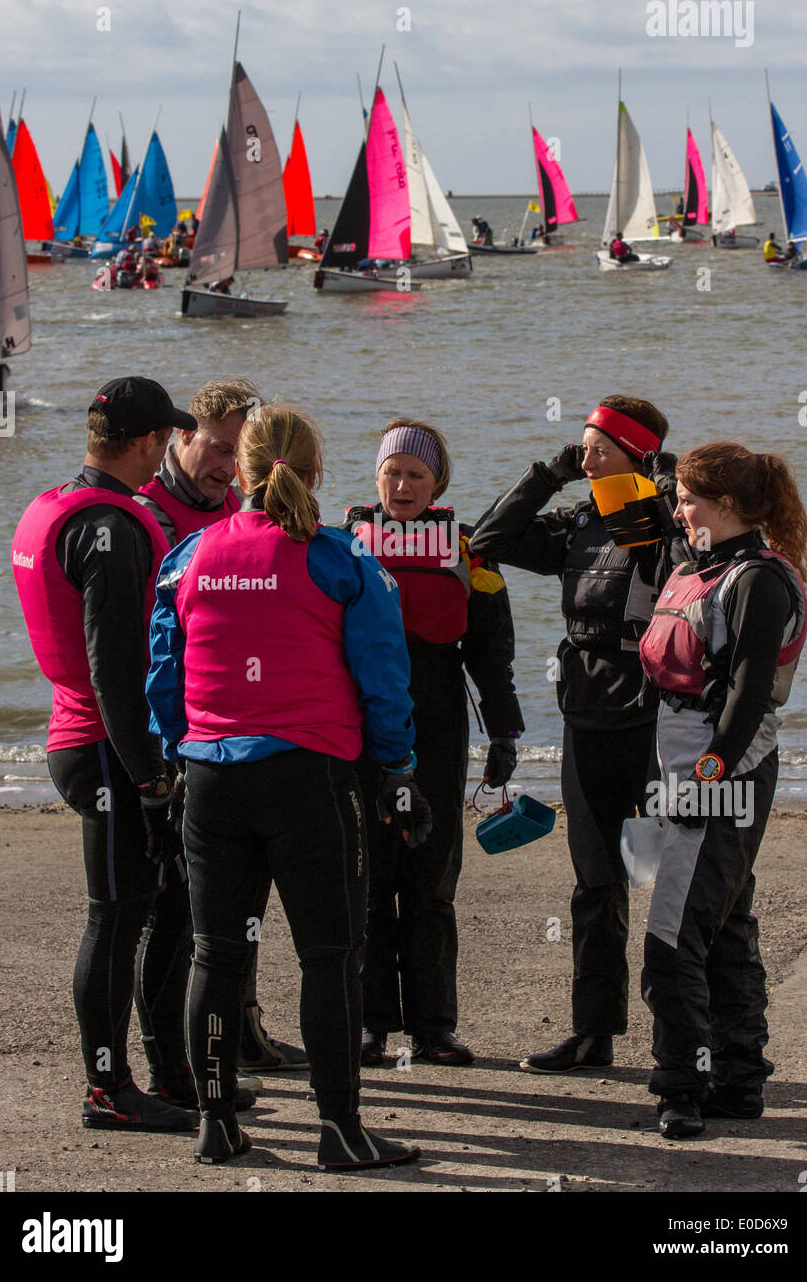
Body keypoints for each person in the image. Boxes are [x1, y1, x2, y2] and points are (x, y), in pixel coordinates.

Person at [146, 405, 429, 1169]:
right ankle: (338, 1130)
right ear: (313, 473)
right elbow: (384, 679)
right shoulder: (342, 559)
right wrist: (399, 771)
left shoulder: (188, 555)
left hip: (210, 778)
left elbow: (163, 681)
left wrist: (180, 754)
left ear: (239, 471)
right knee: (329, 954)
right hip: (308, 779)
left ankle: (216, 1123)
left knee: (216, 953)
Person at [471, 397, 690, 1073]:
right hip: (588, 723)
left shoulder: (667, 523)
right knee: (595, 886)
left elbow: (708, 560)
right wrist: (550, 474)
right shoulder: (580, 524)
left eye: (598, 449)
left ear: (637, 455)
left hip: (656, 726)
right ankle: (593, 1034)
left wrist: (668, 485)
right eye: (582, 447)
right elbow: (489, 542)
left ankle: (681, 1043)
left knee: (674, 886)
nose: (586, 457)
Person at [11, 377, 203, 1132]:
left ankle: (166, 1074)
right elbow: (115, 670)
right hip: (108, 750)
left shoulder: (52, 505)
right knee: (116, 920)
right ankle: (107, 1089)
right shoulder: (113, 529)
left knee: (151, 912)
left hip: (78, 735)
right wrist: (151, 777)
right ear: (150, 443)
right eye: (166, 439)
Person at [637, 442, 807, 1139]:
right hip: (688, 768)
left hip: (722, 776)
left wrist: (705, 780)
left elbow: (744, 700)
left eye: (688, 500)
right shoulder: (697, 566)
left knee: (673, 937)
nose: (678, 511)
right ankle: (738, 1082)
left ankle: (679, 1087)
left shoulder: (759, 582)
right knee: (726, 927)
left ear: (730, 507)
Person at [136, 378, 308, 1075]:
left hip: (243, 735)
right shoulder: (150, 515)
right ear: (180, 438)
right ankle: (177, 1062)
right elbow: (149, 649)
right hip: (180, 739)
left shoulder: (238, 506)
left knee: (242, 907)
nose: (225, 464)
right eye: (214, 449)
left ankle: (244, 1031)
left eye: (237, 452)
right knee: (178, 913)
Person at [345, 420, 524, 1066]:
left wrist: (505, 733)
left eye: (416, 474)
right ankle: (369, 1024)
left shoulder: (468, 549)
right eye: (392, 472)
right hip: (361, 724)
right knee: (368, 878)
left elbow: (491, 652)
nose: (402, 485)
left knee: (431, 876)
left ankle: (433, 1027)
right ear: (376, 477)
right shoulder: (345, 543)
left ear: (438, 482)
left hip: (441, 719)